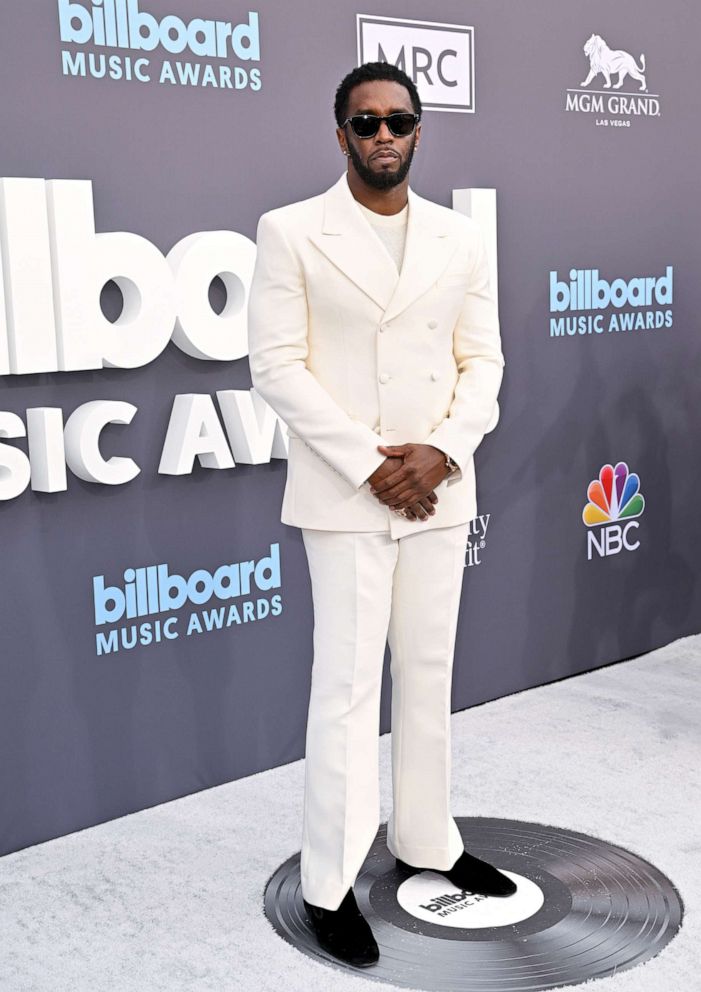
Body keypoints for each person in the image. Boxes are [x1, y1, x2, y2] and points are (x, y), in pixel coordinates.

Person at [247, 61, 515, 968]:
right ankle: (328, 882)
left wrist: (441, 451)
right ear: (340, 135)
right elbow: (277, 367)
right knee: (349, 689)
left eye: (398, 121)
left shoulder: (459, 238)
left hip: (439, 487)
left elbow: (484, 363)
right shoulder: (290, 232)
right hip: (345, 491)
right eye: (365, 124)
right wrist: (373, 463)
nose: (384, 137)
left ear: (418, 130)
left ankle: (427, 842)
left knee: (429, 674)